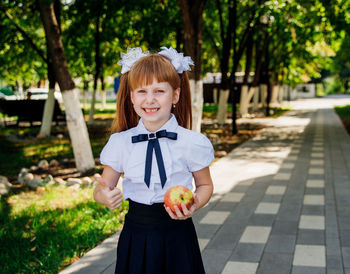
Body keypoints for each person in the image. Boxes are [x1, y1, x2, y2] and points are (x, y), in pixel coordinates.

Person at [93, 47, 214, 274]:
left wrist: (195, 204)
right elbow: (101, 189)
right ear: (131, 97)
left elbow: (205, 185)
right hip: (136, 233)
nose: (150, 99)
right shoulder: (120, 143)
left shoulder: (192, 142)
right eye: (142, 91)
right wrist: (105, 196)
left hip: (178, 232)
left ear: (175, 95)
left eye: (159, 90)